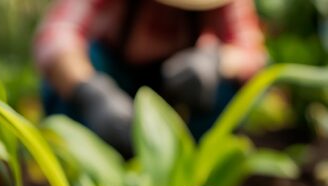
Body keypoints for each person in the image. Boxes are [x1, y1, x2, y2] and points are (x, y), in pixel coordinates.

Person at [34, 0, 266, 158]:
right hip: (115, 83)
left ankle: (194, 163)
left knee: (232, 88)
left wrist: (215, 62)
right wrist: (91, 93)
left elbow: (252, 51)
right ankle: (77, 162)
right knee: (72, 68)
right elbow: (57, 35)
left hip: (180, 90)